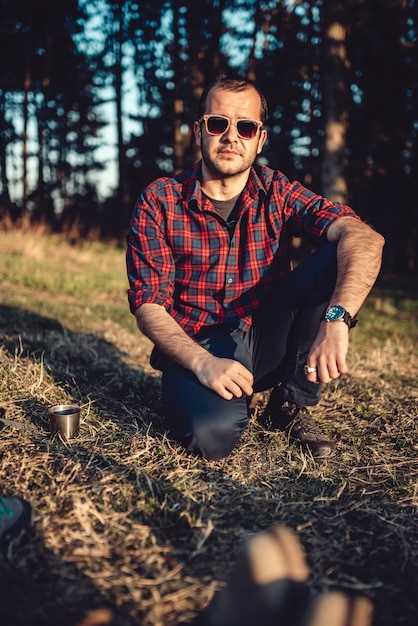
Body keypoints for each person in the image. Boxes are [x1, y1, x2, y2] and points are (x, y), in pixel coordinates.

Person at [126, 74, 384, 461]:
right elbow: (148, 306)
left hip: (266, 334)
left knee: (341, 251)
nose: (232, 137)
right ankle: (222, 398)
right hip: (199, 343)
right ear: (199, 132)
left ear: (260, 139)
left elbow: (366, 239)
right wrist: (203, 364)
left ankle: (288, 405)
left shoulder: (277, 190)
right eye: (218, 124)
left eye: (245, 127)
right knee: (209, 438)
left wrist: (337, 318)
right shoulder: (159, 201)